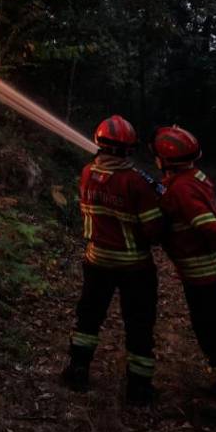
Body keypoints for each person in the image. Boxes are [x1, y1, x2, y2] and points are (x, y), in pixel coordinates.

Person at [153, 126, 216, 431]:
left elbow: (208, 226)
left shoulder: (181, 189)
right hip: (206, 270)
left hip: (200, 273)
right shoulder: (193, 178)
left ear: (165, 159)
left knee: (213, 336)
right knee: (214, 331)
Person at [59, 115, 164, 405]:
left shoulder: (86, 173)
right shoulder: (136, 183)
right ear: (130, 148)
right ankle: (139, 388)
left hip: (96, 262)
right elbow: (153, 230)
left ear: (98, 143)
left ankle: (78, 369)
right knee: (139, 324)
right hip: (135, 267)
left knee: (89, 317)